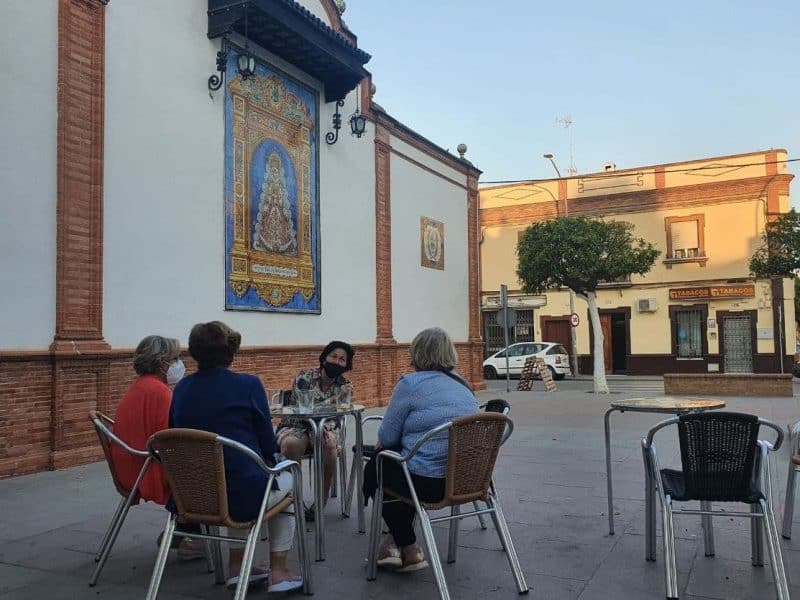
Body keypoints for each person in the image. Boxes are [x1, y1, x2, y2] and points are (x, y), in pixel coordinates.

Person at [170, 321, 302, 593]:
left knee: (237, 476)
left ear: (194, 352)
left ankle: (236, 567)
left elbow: (175, 436)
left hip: (193, 496)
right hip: (241, 496)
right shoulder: (248, 385)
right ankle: (278, 571)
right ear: (230, 352)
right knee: (285, 478)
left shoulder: (180, 390)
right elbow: (268, 445)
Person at [364, 327, 478, 572]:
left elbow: (386, 435)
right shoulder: (464, 385)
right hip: (466, 480)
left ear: (416, 353)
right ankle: (394, 543)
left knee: (379, 464)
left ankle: (409, 547)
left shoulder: (411, 384)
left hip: (428, 483)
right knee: (398, 465)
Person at [110, 335, 201, 559]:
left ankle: (184, 534)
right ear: (163, 363)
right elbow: (171, 440)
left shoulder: (141, 387)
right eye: (176, 358)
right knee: (209, 474)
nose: (181, 363)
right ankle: (181, 535)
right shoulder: (159, 392)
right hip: (145, 469)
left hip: (131, 466)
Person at [276, 340, 355, 520]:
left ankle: (321, 499)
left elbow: (342, 411)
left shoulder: (345, 383)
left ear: (346, 365)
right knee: (291, 445)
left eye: (342, 359)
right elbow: (305, 408)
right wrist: (335, 398)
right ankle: (292, 499)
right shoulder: (305, 376)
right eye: (333, 356)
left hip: (325, 428)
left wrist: (323, 428)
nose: (336, 361)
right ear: (324, 357)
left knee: (329, 444)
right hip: (296, 424)